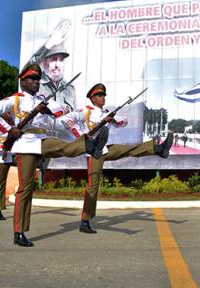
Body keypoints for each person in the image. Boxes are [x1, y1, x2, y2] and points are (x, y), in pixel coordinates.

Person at [0, 64, 108, 247]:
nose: (35, 82)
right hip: (25, 143)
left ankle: (90, 145)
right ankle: (19, 232)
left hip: (42, 139)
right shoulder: (16, 100)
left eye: (38, 79)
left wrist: (46, 109)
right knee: (26, 188)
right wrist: (9, 130)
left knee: (65, 147)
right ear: (22, 81)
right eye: (31, 79)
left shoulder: (43, 99)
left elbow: (63, 109)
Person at [60, 83, 174, 233]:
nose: (103, 98)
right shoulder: (85, 111)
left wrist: (111, 120)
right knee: (93, 186)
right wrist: (81, 135)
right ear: (93, 98)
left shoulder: (106, 112)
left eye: (104, 95)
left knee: (128, 149)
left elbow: (123, 122)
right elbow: (66, 119)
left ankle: (158, 149)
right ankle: (85, 221)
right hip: (94, 152)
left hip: (105, 148)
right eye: (100, 95)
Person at [26, 21, 76, 113]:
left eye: (61, 60)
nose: (57, 65)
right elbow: (30, 66)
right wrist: (49, 44)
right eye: (53, 59)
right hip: (39, 126)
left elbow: (72, 112)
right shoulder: (36, 82)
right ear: (44, 61)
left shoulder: (70, 88)